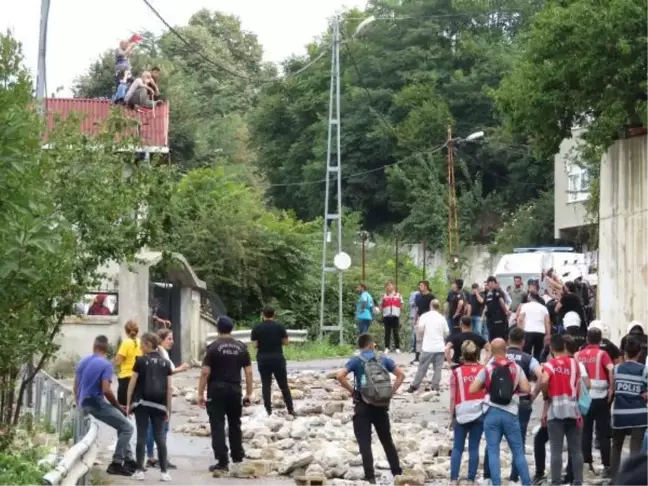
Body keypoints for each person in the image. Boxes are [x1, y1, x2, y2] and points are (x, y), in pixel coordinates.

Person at [336, 333, 404, 484]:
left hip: (362, 406)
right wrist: (390, 393)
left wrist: (353, 391)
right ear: (371, 344)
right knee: (387, 440)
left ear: (361, 346)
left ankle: (370, 477)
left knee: (365, 442)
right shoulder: (383, 359)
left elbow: (340, 376)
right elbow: (401, 375)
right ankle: (397, 473)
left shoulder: (356, 360)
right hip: (381, 405)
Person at [483, 327, 542, 485]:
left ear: (508, 340)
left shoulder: (496, 357)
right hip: (520, 403)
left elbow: (484, 375)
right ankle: (514, 477)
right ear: (523, 341)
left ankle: (488, 476)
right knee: (518, 443)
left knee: (492, 444)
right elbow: (542, 376)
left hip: (495, 404)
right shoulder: (528, 359)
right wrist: (534, 395)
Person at [469, 338, 532, 486]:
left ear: (491, 350)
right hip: (511, 413)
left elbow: (472, 389)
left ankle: (496, 483)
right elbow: (527, 389)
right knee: (518, 451)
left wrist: (486, 386)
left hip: (492, 412)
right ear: (506, 349)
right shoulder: (515, 367)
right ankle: (526, 483)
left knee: (493, 450)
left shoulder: (488, 368)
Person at [75, 335, 136, 476]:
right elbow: (106, 390)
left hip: (84, 401)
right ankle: (116, 463)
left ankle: (129, 460)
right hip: (95, 403)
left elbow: (76, 386)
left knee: (121, 424)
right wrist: (118, 407)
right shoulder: (106, 365)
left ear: (94, 347)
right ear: (107, 349)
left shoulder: (83, 361)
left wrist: (79, 404)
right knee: (127, 428)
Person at [197, 316, 253, 473]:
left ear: (217, 329)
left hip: (217, 390)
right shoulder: (241, 347)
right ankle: (237, 458)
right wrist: (249, 393)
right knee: (235, 424)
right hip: (235, 390)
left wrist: (200, 393)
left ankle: (222, 461)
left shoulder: (213, 347)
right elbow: (248, 372)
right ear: (232, 328)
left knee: (218, 424)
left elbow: (204, 372)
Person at [125, 332, 173, 482]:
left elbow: (132, 384)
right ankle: (164, 472)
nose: (140, 347)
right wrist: (168, 409)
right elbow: (169, 388)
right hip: (160, 405)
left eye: (141, 345)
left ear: (147, 345)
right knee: (160, 437)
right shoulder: (166, 363)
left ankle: (140, 470)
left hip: (142, 404)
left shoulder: (140, 361)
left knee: (141, 435)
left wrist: (128, 404)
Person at [541, 334, 584, 486]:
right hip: (573, 410)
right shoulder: (575, 364)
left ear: (552, 348)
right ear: (564, 347)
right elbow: (579, 387)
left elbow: (544, 380)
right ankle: (578, 481)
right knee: (576, 450)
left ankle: (556, 482)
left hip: (556, 411)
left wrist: (546, 394)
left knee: (556, 450)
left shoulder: (550, 364)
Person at [145, 328, 191, 469]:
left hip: (152, 392)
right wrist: (181, 368)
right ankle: (158, 458)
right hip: (162, 394)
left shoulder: (156, 353)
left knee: (153, 426)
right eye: (169, 339)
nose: (172, 341)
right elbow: (167, 372)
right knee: (160, 427)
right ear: (161, 339)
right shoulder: (161, 353)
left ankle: (152, 457)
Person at [574, 327, 614, 478]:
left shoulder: (578, 355)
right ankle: (607, 466)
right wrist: (611, 388)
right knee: (603, 433)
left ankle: (587, 463)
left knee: (586, 432)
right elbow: (611, 370)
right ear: (600, 339)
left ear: (587, 339)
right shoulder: (603, 354)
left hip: (584, 399)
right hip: (601, 397)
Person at [610, 336, 648, 476]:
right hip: (639, 416)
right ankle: (633, 478)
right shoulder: (644, 370)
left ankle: (614, 477)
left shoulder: (616, 369)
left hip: (620, 415)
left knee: (616, 446)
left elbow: (611, 390)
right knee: (635, 450)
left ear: (624, 353)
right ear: (639, 353)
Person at [449, 340, 485, 486]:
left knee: (457, 447)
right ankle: (471, 479)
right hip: (480, 412)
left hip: (461, 412)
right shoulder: (484, 369)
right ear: (477, 354)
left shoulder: (456, 372)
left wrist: (451, 416)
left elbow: (453, 396)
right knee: (474, 447)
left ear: (463, 354)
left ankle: (453, 479)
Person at [250, 305, 295, 416]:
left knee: (266, 384)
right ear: (274, 314)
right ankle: (290, 409)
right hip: (277, 358)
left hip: (263, 359)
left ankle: (268, 411)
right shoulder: (279, 327)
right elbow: (285, 342)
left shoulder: (257, 328)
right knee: (283, 385)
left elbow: (255, 345)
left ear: (262, 314)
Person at [408, 299, 448, 392]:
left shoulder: (424, 316)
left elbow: (420, 330)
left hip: (428, 347)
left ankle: (414, 386)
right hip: (439, 348)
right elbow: (447, 332)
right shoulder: (442, 318)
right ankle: (435, 386)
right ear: (439, 307)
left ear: (430, 306)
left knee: (422, 368)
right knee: (437, 369)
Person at [114, 320, 142, 410]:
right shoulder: (141, 342)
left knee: (124, 408)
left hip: (126, 378)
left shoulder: (126, 343)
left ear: (126, 331)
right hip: (138, 377)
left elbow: (118, 361)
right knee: (137, 406)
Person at [518, 291, 551, 361]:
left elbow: (520, 319)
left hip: (528, 331)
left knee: (526, 352)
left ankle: (527, 369)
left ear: (530, 297)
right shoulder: (543, 308)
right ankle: (537, 368)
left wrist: (520, 331)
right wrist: (548, 334)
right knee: (538, 353)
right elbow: (547, 322)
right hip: (540, 332)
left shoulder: (525, 306)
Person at [413, 280, 435, 363]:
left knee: (428, 337)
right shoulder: (418, 296)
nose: (420, 287)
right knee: (418, 338)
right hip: (420, 318)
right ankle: (417, 356)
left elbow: (433, 309)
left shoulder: (431, 297)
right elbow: (417, 309)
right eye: (419, 285)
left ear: (426, 286)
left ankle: (429, 356)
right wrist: (415, 319)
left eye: (421, 285)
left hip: (428, 319)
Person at [484, 276, 510, 341]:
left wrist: (505, 311)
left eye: (492, 283)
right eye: (489, 283)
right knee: (491, 335)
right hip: (490, 318)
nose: (491, 285)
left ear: (495, 283)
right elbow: (486, 305)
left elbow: (502, 302)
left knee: (500, 335)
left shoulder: (498, 291)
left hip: (498, 317)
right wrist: (483, 315)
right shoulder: (487, 294)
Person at [379, 281, 402, 353]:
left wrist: (397, 311)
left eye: (390, 285)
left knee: (396, 332)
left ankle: (397, 348)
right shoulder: (384, 296)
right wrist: (378, 309)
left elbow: (402, 304)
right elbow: (381, 305)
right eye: (387, 286)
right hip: (387, 316)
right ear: (386, 287)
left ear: (393, 286)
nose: (389, 287)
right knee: (387, 333)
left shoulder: (398, 295)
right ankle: (387, 347)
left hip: (395, 316)